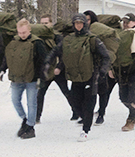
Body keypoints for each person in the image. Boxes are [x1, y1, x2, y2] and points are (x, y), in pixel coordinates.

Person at [45, 13, 110, 141]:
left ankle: (85, 130)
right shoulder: (68, 39)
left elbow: (106, 56)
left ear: (85, 24)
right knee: (74, 102)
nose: (78, 26)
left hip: (91, 77)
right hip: (75, 77)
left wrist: (102, 71)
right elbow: (57, 51)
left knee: (89, 105)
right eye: (76, 23)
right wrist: (48, 62)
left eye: (81, 23)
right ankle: (84, 118)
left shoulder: (93, 39)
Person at [4, 19, 47, 139]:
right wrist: (2, 69)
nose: (22, 35)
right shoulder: (14, 42)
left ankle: (30, 127)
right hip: (17, 78)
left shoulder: (37, 43)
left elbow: (43, 61)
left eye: (24, 32)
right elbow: (8, 58)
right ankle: (25, 119)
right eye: (19, 32)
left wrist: (40, 77)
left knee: (31, 103)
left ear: (29, 30)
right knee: (15, 100)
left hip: (32, 78)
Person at [36, 14, 78, 123]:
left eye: (46, 23)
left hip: (58, 70)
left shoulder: (57, 36)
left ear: (51, 23)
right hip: (45, 71)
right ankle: (37, 117)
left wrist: (59, 67)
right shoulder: (39, 37)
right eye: (42, 23)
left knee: (66, 92)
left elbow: (64, 53)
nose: (44, 26)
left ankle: (76, 112)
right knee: (40, 94)